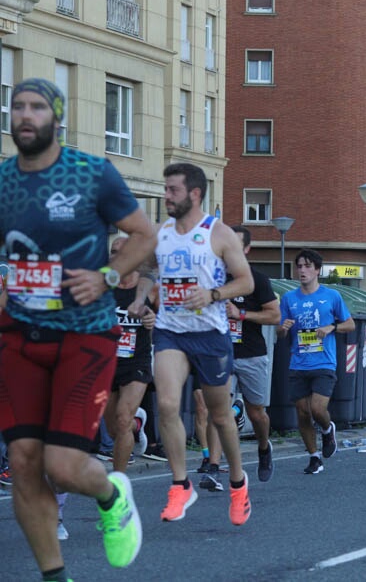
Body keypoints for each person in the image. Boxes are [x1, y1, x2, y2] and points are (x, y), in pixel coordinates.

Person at [0, 78, 152, 577]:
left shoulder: (91, 173)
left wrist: (107, 276)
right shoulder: (3, 180)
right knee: (23, 459)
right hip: (19, 334)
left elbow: (144, 234)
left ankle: (112, 495)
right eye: (17, 106)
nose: (25, 115)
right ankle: (55, 575)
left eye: (37, 107)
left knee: (62, 467)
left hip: (84, 335)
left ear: (56, 117)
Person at [133, 162, 254, 525]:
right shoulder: (160, 232)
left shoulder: (218, 234)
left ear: (195, 194)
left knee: (219, 415)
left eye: (172, 190)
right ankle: (180, 484)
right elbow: (149, 270)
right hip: (171, 330)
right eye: (165, 189)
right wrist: (141, 298)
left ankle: (237, 483)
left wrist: (213, 294)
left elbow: (245, 281)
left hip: (210, 334)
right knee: (167, 404)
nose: (166, 196)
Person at [278, 249, 356, 474]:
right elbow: (280, 332)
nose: (302, 270)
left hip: (324, 362)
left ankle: (327, 428)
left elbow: (350, 324)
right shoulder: (289, 298)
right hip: (298, 362)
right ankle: (314, 457)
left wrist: (332, 327)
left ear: (317, 270)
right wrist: (282, 330)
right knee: (302, 413)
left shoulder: (332, 296)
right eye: (299, 266)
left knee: (317, 408)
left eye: (307, 266)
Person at [224, 225, 280, 481]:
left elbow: (274, 315)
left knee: (257, 413)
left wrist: (241, 314)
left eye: (236, 246)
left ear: (246, 249)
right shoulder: (213, 278)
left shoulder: (257, 279)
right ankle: (215, 464)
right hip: (221, 353)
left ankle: (263, 447)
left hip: (252, 353)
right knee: (217, 409)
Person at [106, 236, 155, 473]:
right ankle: (138, 425)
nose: (117, 256)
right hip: (105, 363)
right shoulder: (104, 286)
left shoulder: (149, 288)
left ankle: (119, 484)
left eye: (122, 251)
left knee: (122, 419)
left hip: (137, 361)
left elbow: (166, 324)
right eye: (113, 251)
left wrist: (152, 320)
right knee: (115, 428)